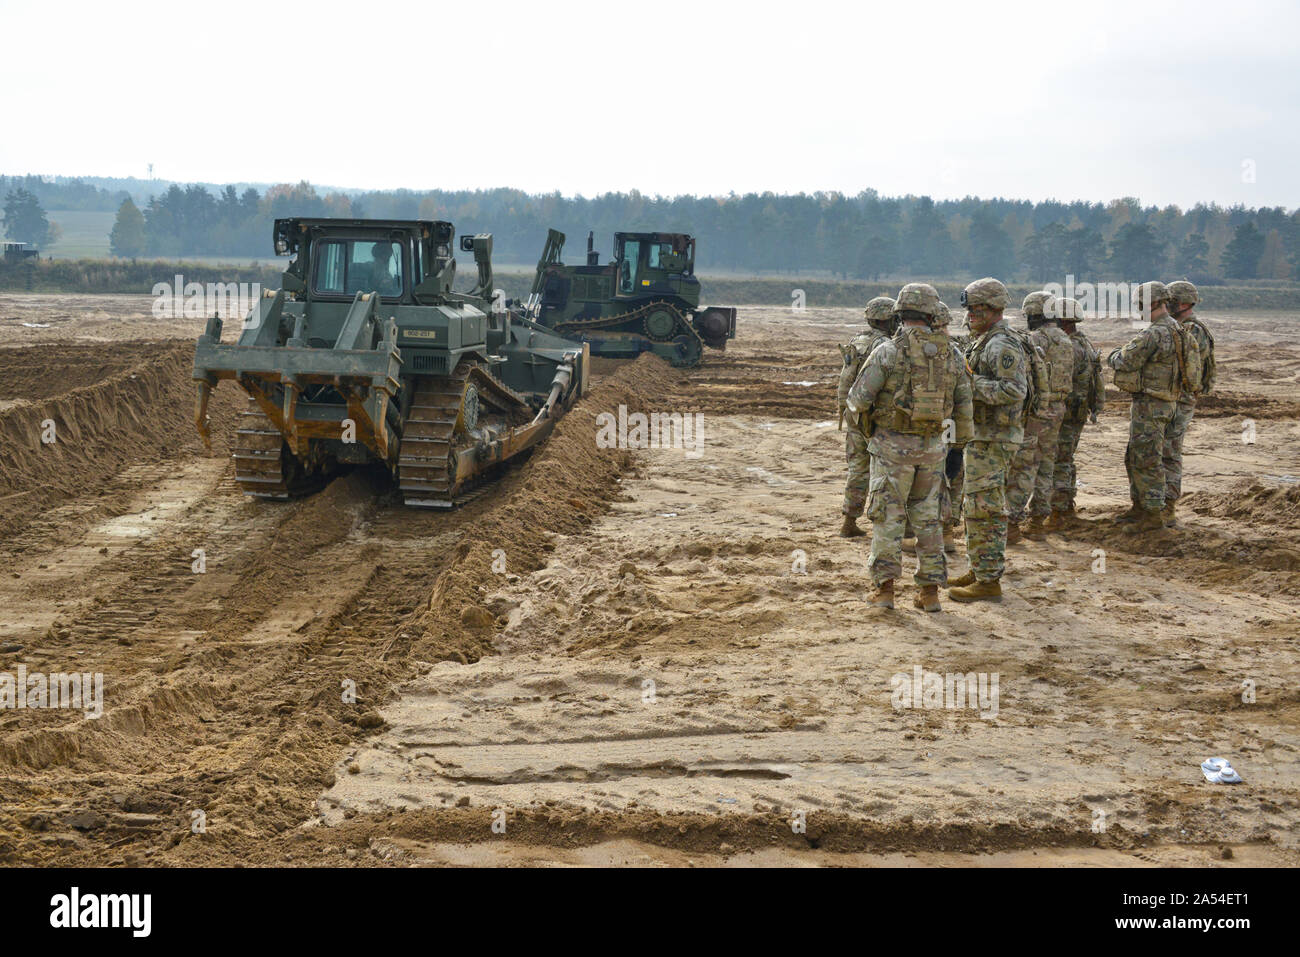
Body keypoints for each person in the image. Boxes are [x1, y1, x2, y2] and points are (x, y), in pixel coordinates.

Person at [846, 283, 972, 612]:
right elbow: (964, 407)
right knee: (929, 520)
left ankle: (884, 591)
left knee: (888, 518)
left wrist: (871, 430)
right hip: (934, 449)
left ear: (899, 314)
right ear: (932, 314)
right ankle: (929, 594)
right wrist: (957, 450)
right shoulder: (953, 353)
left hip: (891, 449)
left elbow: (858, 399)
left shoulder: (888, 350)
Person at [947, 278, 1027, 603]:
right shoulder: (984, 341)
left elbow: (1013, 390)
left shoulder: (1000, 344)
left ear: (990, 309)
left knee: (986, 508)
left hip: (995, 438)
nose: (968, 316)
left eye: (974, 309)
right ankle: (979, 569)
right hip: (982, 437)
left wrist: (969, 384)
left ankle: (989, 580)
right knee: (975, 506)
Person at [1108, 281, 1201, 533]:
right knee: (1142, 456)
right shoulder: (1180, 330)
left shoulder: (1154, 333)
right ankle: (1143, 509)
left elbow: (1124, 360)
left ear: (1147, 304)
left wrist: (1114, 354)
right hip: (1170, 403)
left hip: (1151, 404)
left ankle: (1151, 514)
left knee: (1146, 458)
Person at [1004, 292, 1074, 541]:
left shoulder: (1033, 340)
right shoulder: (1066, 340)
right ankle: (1038, 521)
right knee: (1046, 464)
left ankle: (1011, 522)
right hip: (1057, 409)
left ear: (1033, 314)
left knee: (1023, 466)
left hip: (1036, 410)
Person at [837, 297, 898, 537]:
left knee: (857, 469)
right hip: (871, 418)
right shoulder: (885, 345)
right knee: (879, 472)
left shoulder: (858, 339)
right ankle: (878, 520)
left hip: (852, 413)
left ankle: (849, 520)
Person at [1162, 279, 1216, 527]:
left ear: (1184, 303)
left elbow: (1179, 362)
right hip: (1175, 398)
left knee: (1169, 452)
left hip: (1181, 399)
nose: (1167, 306)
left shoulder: (1193, 330)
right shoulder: (1182, 327)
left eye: (1171, 302)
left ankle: (1168, 508)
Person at [1050, 297, 1104, 526]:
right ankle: (1065, 503)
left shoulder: (1069, 346)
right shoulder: (1084, 342)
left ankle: (1060, 509)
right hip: (1078, 411)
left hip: (1068, 412)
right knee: (1065, 458)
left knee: (1059, 460)